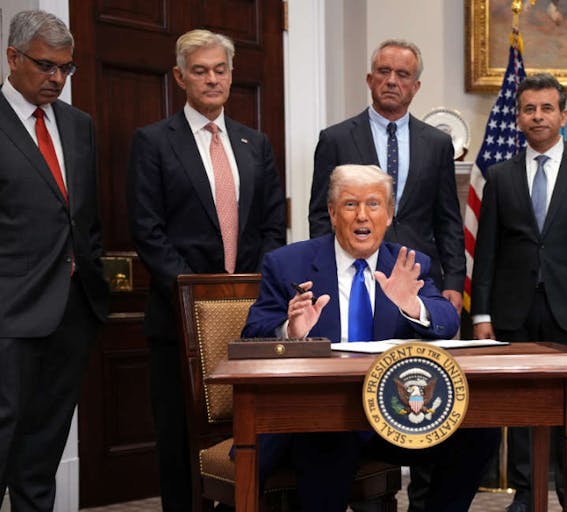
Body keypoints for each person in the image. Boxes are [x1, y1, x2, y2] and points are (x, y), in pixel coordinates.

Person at [242, 164, 499, 512]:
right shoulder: (289, 263)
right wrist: (291, 331)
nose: (362, 215)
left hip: (394, 415)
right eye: (350, 204)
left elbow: (447, 319)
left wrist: (413, 306)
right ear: (333, 213)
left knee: (479, 433)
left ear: (389, 214)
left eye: (374, 204)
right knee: (328, 435)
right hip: (322, 415)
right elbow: (252, 334)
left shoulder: (408, 264)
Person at [127, 29, 286, 512]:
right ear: (180, 77)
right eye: (200, 71)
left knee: (250, 434)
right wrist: (197, 296)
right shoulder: (153, 142)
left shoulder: (255, 143)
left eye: (220, 70)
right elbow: (147, 231)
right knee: (180, 444)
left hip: (251, 321)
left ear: (231, 75)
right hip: (178, 323)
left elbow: (272, 227)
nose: (212, 79)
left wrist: (256, 295)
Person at [471, 73, 567, 512]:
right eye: (529, 109)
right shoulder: (499, 176)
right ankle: (527, 494)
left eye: (546, 108)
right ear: (518, 118)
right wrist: (481, 315)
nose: (537, 116)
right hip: (513, 312)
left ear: (563, 116)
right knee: (521, 410)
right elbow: (486, 252)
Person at [0, 10, 110, 510]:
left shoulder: (78, 124)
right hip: (9, 317)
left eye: (66, 68)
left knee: (43, 450)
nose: (57, 78)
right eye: (46, 66)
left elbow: (85, 218)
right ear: (13, 57)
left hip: (71, 312)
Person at [308, 39, 465, 314]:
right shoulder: (336, 139)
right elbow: (322, 215)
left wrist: (453, 279)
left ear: (415, 86)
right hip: (352, 274)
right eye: (384, 71)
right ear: (370, 80)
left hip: (419, 276)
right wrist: (325, 272)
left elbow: (448, 219)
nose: (392, 81)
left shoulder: (437, 144)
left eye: (402, 74)